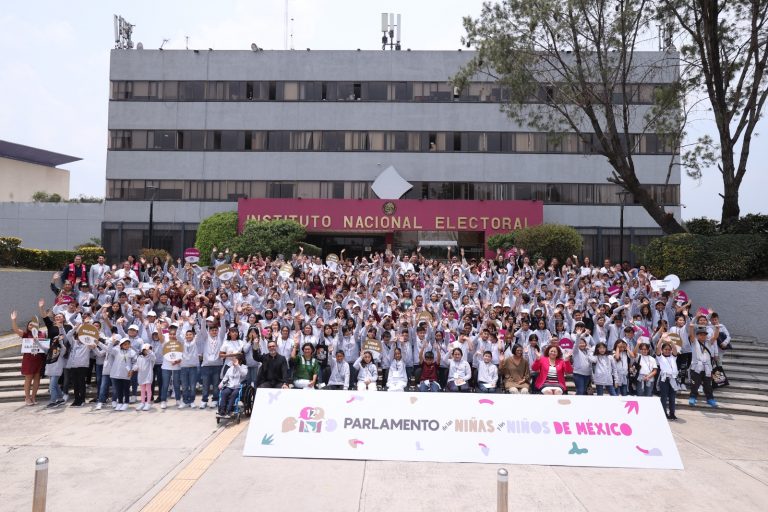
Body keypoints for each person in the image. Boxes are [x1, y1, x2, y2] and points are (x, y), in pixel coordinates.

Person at [10, 310, 46, 405]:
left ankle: (33, 397)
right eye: (30, 325)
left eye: (34, 324)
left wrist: (39, 341)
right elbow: (16, 330)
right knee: (28, 379)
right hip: (29, 360)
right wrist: (14, 320)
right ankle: (27, 398)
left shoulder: (42, 334)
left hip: (39, 359)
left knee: (37, 379)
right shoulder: (26, 334)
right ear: (28, 326)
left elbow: (45, 347)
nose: (32, 326)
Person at [689, 325, 719, 408]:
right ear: (697, 335)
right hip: (696, 367)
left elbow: (715, 337)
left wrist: (717, 329)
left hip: (707, 368)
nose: (703, 336)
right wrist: (691, 327)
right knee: (695, 384)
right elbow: (691, 335)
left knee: (708, 385)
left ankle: (710, 399)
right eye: (701, 334)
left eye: (704, 335)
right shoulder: (694, 342)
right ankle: (692, 397)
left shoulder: (708, 342)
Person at [110, 337, 137, 411]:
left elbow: (135, 362)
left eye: (128, 344)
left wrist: (132, 370)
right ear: (121, 345)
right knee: (118, 389)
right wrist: (111, 342)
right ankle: (120, 403)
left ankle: (126, 403)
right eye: (125, 344)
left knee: (126, 389)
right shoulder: (116, 350)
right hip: (116, 374)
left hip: (126, 374)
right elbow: (108, 350)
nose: (127, 345)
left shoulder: (132, 352)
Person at [656, 338, 680, 420]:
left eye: (669, 350)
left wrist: (671, 342)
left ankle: (672, 413)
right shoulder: (660, 357)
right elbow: (658, 348)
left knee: (672, 397)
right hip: (664, 379)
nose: (667, 351)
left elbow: (675, 350)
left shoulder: (673, 357)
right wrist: (661, 340)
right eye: (665, 349)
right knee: (664, 397)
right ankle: (664, 413)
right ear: (662, 350)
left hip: (673, 378)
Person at [135, 343, 156, 411]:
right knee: (142, 390)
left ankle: (148, 403)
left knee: (148, 389)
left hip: (148, 376)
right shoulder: (139, 357)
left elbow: (153, 357)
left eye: (148, 350)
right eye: (145, 350)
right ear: (142, 350)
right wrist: (134, 368)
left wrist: (149, 350)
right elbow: (137, 365)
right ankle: (142, 402)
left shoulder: (150, 358)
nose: (146, 351)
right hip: (141, 376)